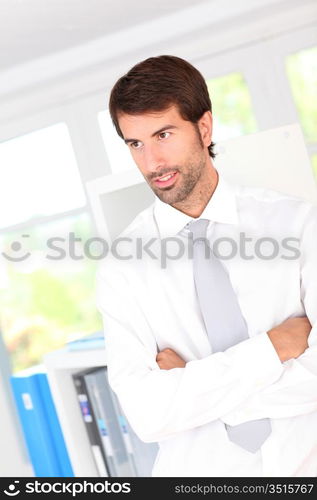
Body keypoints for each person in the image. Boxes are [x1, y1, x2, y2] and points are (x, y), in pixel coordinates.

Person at [96, 55, 317, 477]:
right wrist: (273, 349)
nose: (151, 162)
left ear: (204, 127)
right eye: (135, 143)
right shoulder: (122, 269)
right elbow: (148, 415)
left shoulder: (299, 225)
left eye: (163, 134)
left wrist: (193, 386)